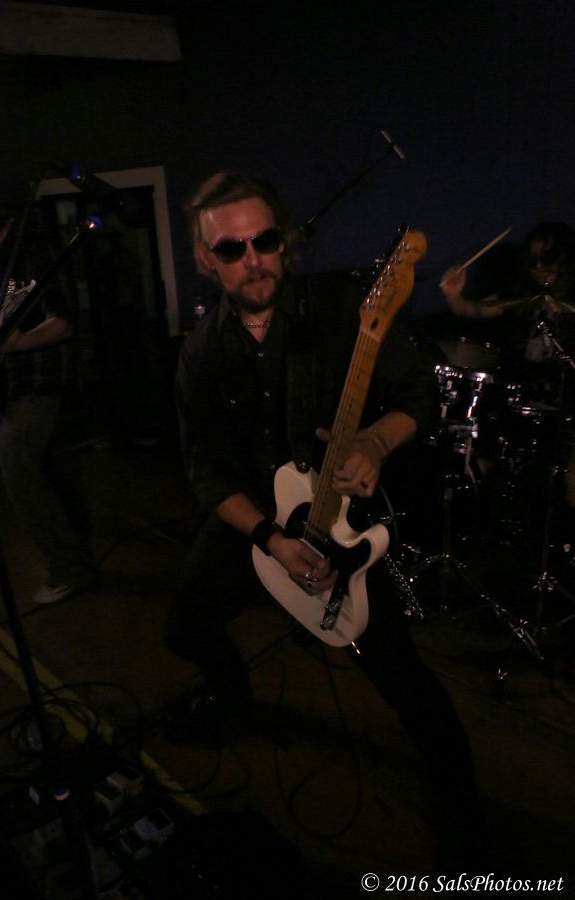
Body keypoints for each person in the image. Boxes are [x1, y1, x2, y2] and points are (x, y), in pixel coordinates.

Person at [163, 171, 487, 869]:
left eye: (265, 240)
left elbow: (420, 397)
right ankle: (233, 695)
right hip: (257, 518)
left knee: (401, 675)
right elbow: (206, 472)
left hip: (337, 520)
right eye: (232, 249)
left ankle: (464, 809)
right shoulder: (200, 353)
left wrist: (374, 443)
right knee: (183, 626)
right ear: (205, 259)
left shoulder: (346, 308)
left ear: (284, 241)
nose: (254, 259)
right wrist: (270, 540)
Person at [0, 183, 96, 604]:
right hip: (14, 383)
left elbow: (63, 321)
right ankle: (75, 536)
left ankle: (69, 567)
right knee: (39, 468)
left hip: (41, 381)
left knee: (16, 461)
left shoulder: (36, 253)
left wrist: (19, 342)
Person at [440, 222, 575, 537]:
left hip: (565, 402)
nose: (538, 267)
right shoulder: (523, 295)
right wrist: (453, 295)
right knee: (483, 441)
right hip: (522, 397)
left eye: (547, 258)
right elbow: (473, 310)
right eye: (533, 260)